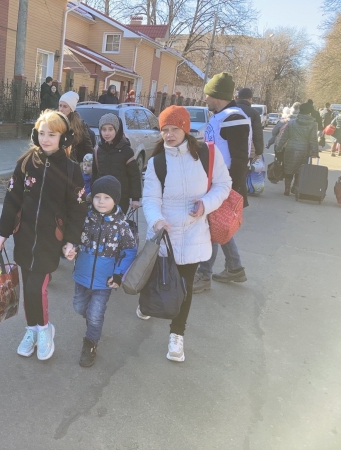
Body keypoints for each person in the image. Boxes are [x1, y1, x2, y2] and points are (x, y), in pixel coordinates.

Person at [0, 110, 87, 361]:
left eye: (53, 134)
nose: (46, 139)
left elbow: (78, 209)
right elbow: (11, 199)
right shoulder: (25, 163)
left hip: (50, 240)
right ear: (36, 134)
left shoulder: (71, 170)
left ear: (63, 138)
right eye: (43, 133)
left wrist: (71, 240)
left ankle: (45, 329)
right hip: (24, 237)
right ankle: (32, 330)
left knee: (38, 288)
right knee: (29, 289)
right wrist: (4, 232)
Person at [142, 106, 231, 361]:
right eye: (164, 130)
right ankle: (147, 304)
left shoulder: (207, 154)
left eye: (174, 129)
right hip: (164, 233)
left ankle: (177, 335)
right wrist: (156, 220)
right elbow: (150, 197)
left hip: (194, 231)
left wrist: (206, 204)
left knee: (184, 286)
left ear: (186, 128)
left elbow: (223, 185)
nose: (169, 135)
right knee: (158, 278)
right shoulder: (157, 162)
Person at [66, 176, 137, 367]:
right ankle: (92, 325)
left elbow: (130, 251)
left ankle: (90, 344)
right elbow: (74, 238)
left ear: (116, 199)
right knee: (79, 308)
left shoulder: (122, 225)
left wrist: (118, 274)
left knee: (96, 314)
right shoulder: (85, 218)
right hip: (81, 275)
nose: (101, 201)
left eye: (107, 197)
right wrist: (71, 248)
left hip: (104, 282)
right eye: (97, 197)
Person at [193, 72, 251, 294]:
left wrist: (231, 188)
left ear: (216, 95)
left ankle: (204, 275)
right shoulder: (223, 115)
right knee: (219, 225)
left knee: (211, 227)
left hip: (222, 182)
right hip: (215, 180)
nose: (205, 99)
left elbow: (239, 157)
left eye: (207, 94)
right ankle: (235, 268)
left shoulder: (234, 117)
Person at [93, 113, 142, 214]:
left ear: (117, 130)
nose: (107, 133)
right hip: (102, 197)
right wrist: (91, 193)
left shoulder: (126, 150)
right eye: (104, 129)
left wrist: (135, 198)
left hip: (121, 197)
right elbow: (94, 174)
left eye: (110, 129)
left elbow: (134, 175)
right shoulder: (98, 150)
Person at [277, 103, 319, 195]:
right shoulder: (313, 124)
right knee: (300, 170)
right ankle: (295, 188)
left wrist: (278, 147)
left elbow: (284, 137)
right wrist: (315, 152)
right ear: (310, 113)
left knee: (288, 169)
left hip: (290, 149)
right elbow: (313, 139)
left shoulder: (291, 122)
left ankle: (287, 189)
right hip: (304, 150)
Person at [58, 91, 95, 162]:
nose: (61, 109)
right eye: (60, 105)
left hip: (71, 165)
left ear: (71, 109)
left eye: (65, 106)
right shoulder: (53, 121)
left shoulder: (79, 125)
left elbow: (88, 149)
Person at [235, 88, 264, 158]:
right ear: (250, 99)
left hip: (229, 149)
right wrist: (259, 150)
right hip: (247, 150)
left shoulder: (230, 110)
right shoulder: (254, 113)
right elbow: (257, 134)